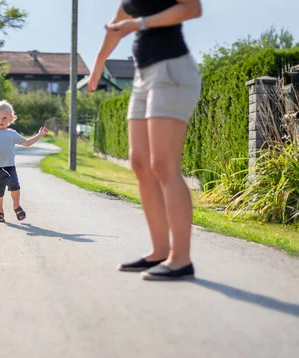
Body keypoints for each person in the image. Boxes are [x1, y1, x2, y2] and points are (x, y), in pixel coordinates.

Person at [88, 0, 203, 280]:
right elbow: (116, 28)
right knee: (140, 163)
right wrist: (98, 64)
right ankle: (160, 251)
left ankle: (181, 259)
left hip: (172, 71)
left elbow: (192, 8)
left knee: (163, 165)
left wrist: (139, 24)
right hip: (143, 77)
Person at [0, 100, 49, 222]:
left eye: (4, 118)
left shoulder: (12, 134)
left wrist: (39, 135)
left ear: (11, 118)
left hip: (9, 167)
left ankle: (16, 207)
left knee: (15, 188)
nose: (1, 121)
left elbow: (27, 143)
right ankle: (0, 213)